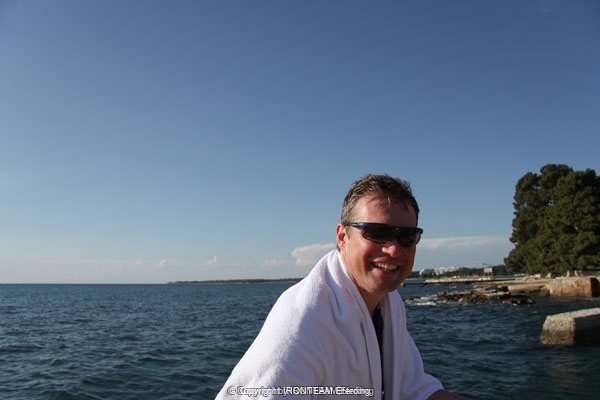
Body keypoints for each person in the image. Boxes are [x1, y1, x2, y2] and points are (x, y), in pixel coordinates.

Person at [216, 174, 469, 400]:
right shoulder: (305, 320)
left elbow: (413, 389)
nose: (393, 249)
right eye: (377, 232)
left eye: (407, 236)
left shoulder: (388, 304)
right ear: (342, 237)